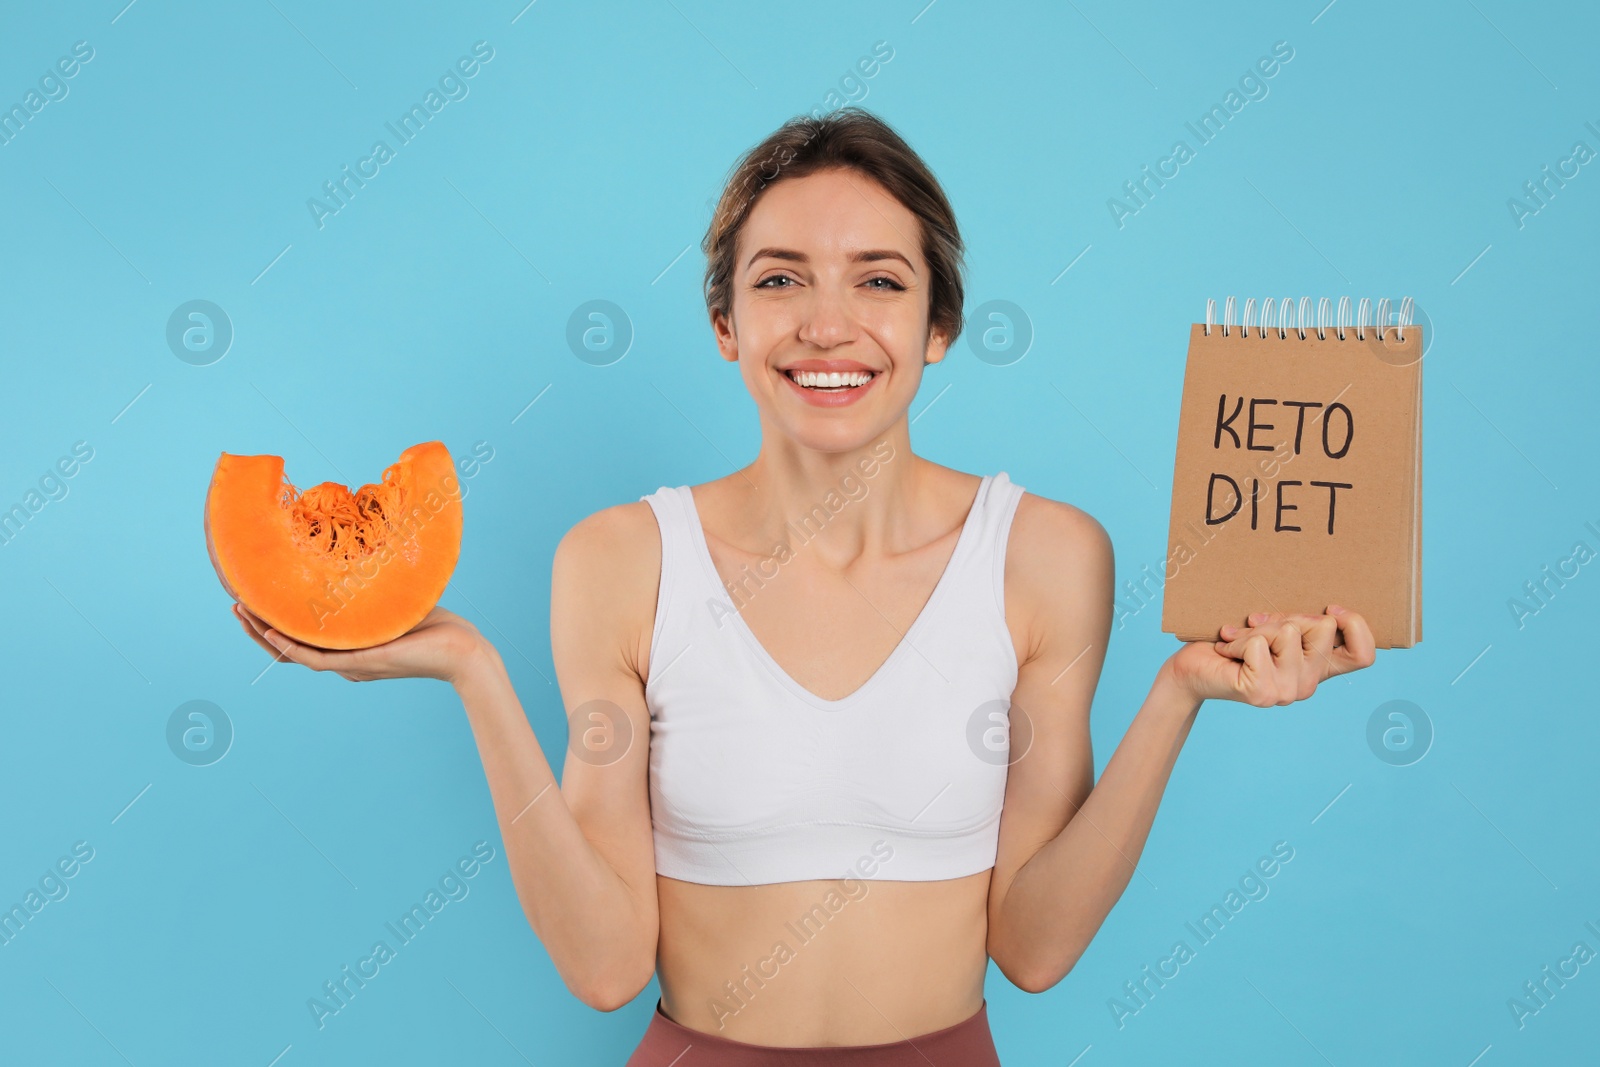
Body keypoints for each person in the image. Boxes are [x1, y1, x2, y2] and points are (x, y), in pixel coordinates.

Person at [233, 106, 1377, 1065]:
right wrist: (474, 672)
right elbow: (604, 965)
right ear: (726, 324)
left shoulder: (1045, 554)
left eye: (879, 281)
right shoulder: (619, 561)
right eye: (780, 280)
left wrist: (1176, 691)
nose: (828, 324)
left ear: (937, 326)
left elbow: (1031, 946)